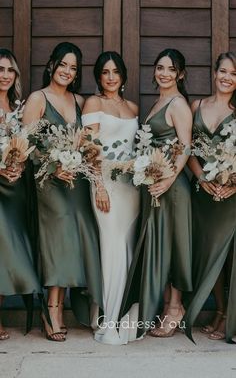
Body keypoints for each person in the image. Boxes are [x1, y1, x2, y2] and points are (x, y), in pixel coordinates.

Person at [23, 42, 103, 342]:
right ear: (51, 65)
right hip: (50, 182)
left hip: (76, 182)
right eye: (63, 65)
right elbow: (26, 144)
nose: (67, 71)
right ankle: (53, 309)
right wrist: (53, 166)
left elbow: (89, 143)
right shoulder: (37, 98)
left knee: (76, 239)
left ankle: (64, 303)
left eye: (73, 67)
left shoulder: (81, 101)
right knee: (58, 240)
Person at [119, 48, 193, 339]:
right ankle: (164, 306)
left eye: (171, 69)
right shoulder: (158, 102)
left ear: (180, 74)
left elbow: (185, 146)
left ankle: (175, 308)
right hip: (156, 187)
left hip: (172, 189)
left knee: (172, 245)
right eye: (160, 67)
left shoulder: (178, 104)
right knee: (159, 246)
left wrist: (169, 179)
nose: (163, 73)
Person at [82, 51, 140, 345]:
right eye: (105, 72)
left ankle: (126, 320)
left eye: (116, 71)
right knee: (111, 247)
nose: (111, 77)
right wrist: (98, 186)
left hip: (131, 187)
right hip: (104, 185)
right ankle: (107, 319)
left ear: (123, 75)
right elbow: (90, 148)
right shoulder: (94, 103)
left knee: (128, 249)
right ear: (98, 76)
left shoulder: (133, 107)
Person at [183, 51, 236, 343]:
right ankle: (220, 311)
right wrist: (201, 178)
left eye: (234, 74)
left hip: (231, 195)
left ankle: (230, 317)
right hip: (203, 193)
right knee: (208, 256)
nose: (227, 78)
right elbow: (188, 149)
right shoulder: (197, 105)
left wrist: (234, 185)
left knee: (228, 258)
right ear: (214, 73)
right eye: (224, 72)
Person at [0, 48, 41, 340]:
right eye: (0, 70)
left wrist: (20, 163)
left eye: (9, 70)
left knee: (9, 254)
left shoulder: (19, 107)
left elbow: (28, 144)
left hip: (16, 190)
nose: (4, 76)